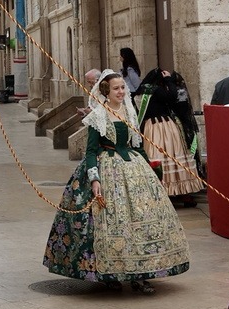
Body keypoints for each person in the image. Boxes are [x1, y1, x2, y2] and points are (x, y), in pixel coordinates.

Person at [43, 70, 190, 293]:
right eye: (116, 88)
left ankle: (141, 275)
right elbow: (91, 151)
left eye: (123, 87)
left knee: (142, 220)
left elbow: (137, 145)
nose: (121, 92)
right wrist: (94, 179)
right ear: (106, 91)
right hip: (107, 168)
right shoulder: (98, 115)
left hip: (133, 167)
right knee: (111, 222)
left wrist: (152, 171)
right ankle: (110, 275)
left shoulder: (130, 111)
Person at [134, 68, 203, 206]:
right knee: (173, 156)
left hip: (150, 128)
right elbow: (173, 96)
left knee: (156, 157)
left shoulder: (142, 91)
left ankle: (161, 193)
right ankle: (183, 193)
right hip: (164, 126)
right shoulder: (156, 90)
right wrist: (169, 80)